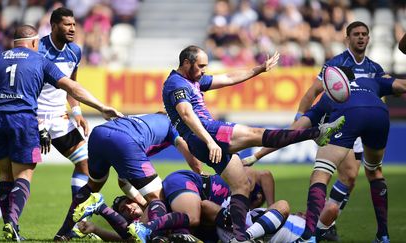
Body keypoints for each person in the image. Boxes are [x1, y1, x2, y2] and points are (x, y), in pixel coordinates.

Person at [160, 45, 345, 243]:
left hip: (203, 140)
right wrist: (209, 141)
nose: (204, 70)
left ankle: (240, 238)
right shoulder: (176, 84)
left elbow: (229, 78)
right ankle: (316, 133)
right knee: (257, 133)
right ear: (186, 63)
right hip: (206, 133)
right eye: (201, 66)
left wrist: (259, 69)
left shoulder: (192, 79)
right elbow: (187, 114)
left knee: (241, 186)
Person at [0, 24, 121, 241]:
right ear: (34, 43)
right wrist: (101, 107)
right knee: (24, 175)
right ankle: (11, 224)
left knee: (5, 175)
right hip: (23, 119)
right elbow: (72, 87)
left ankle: (2, 225)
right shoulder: (40, 60)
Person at [292, 21, 386, 242]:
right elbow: (312, 92)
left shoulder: (375, 69)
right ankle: (319, 225)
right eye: (356, 34)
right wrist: (300, 117)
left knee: (350, 180)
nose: (361, 37)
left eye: (364, 34)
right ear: (348, 38)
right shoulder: (336, 64)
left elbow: (379, 98)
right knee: (349, 174)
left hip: (363, 127)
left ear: (369, 38)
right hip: (338, 124)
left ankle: (327, 222)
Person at [288, 66, 401, 242]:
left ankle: (309, 237)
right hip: (380, 114)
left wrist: (259, 153)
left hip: (349, 116)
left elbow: (295, 130)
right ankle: (383, 235)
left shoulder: (330, 96)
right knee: (373, 171)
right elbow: (401, 86)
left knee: (321, 173)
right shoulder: (370, 81)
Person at [53, 113, 202, 241]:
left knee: (92, 186)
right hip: (125, 140)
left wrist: (141, 202)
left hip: (99, 133)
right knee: (157, 198)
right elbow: (187, 150)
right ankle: (158, 237)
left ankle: (64, 232)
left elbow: (123, 180)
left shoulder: (144, 122)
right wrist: (198, 173)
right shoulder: (172, 125)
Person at [74, 167, 277, 243]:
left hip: (196, 204)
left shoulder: (248, 194)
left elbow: (267, 175)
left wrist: (270, 205)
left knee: (145, 235)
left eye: (127, 204)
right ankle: (101, 207)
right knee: (194, 217)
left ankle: (101, 207)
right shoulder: (243, 185)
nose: (128, 209)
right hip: (189, 185)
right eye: (124, 211)